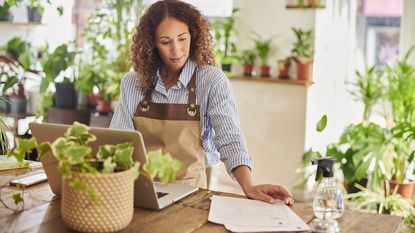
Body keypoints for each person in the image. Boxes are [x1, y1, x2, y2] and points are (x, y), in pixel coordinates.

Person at [110, 0, 293, 205]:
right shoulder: (132, 82)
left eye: (182, 38)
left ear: (193, 35)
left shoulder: (211, 81)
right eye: (165, 41)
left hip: (190, 194)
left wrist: (248, 186)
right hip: (139, 191)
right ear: (151, 43)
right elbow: (119, 141)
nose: (176, 50)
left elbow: (230, 139)